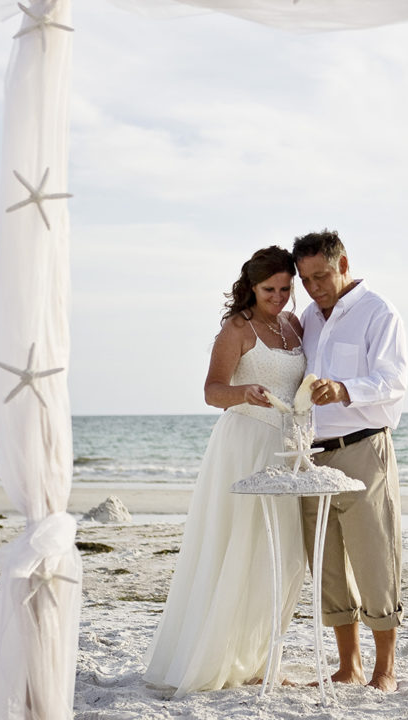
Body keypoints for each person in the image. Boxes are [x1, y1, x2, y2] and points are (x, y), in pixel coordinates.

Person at [144, 246, 307, 695]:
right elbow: (212, 391)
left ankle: (257, 658)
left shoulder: (294, 325)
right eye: (268, 289)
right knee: (238, 547)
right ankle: (212, 657)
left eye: (285, 288)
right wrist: (243, 391)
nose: (277, 296)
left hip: (286, 449)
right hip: (245, 444)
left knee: (283, 555)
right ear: (251, 287)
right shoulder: (238, 327)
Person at [292, 229, 408, 692]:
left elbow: (394, 380)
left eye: (320, 276)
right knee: (328, 562)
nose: (314, 287)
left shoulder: (379, 312)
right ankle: (349, 665)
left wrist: (344, 389)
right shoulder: (308, 318)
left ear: (344, 264)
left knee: (376, 557)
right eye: (305, 279)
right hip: (314, 454)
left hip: (364, 450)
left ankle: (386, 669)